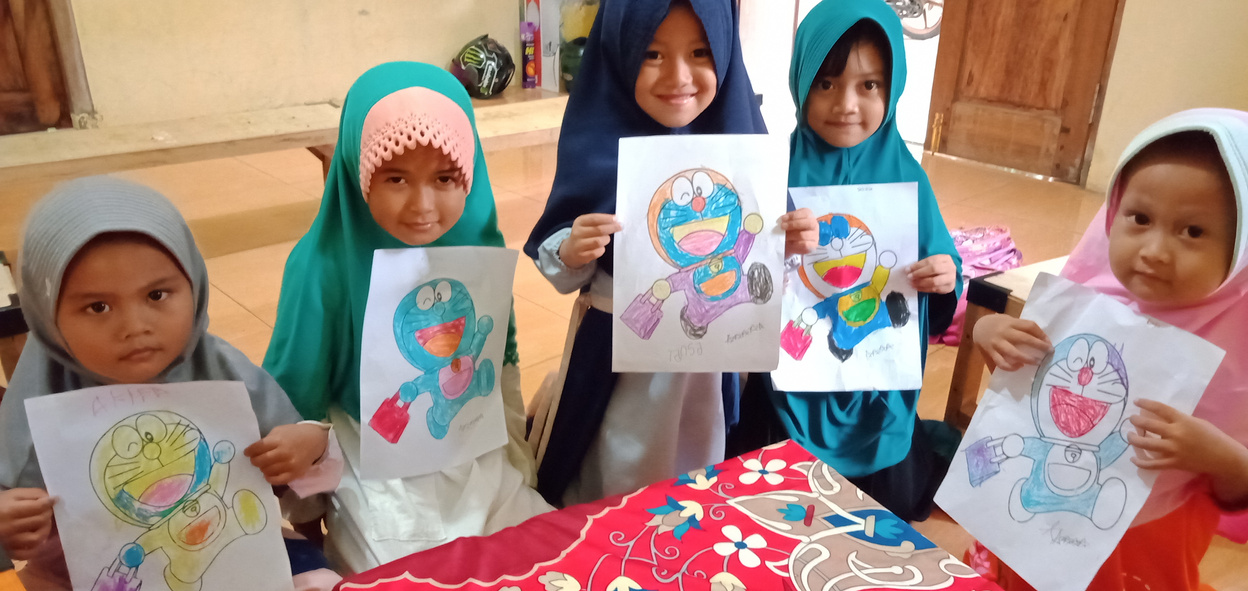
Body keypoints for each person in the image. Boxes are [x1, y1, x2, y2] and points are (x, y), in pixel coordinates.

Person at [522, 0, 817, 507]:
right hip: (617, 363)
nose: (678, 77)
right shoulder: (597, 141)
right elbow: (561, 263)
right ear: (619, 51)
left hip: (707, 365)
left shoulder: (739, 144)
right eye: (652, 54)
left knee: (697, 459)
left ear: (725, 53)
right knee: (615, 462)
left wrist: (787, 243)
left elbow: (763, 270)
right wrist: (573, 249)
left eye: (700, 52)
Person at [263, 61, 550, 573]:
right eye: (396, 178)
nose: (422, 206)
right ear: (358, 172)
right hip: (377, 465)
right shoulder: (322, 265)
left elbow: (499, 360)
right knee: (399, 573)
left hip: (471, 449)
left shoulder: (477, 245)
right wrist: (305, 512)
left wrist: (517, 460)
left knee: (540, 555)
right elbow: (296, 393)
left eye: (445, 178)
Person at [0, 177, 340, 590]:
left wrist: (309, 444)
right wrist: (8, 522)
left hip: (229, 552)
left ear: (193, 285)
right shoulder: (36, 401)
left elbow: (301, 478)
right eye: (98, 306)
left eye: (157, 295)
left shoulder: (222, 369)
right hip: (80, 577)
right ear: (46, 314)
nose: (134, 326)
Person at [972, 108, 1248, 590]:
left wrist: (1217, 455)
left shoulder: (1236, 353)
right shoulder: (1082, 304)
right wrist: (988, 334)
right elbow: (1025, 397)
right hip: (1031, 530)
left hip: (1144, 550)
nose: (1155, 251)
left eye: (1193, 231)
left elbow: (1238, 492)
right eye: (1140, 218)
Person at [761, 0, 962, 523]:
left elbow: (942, 271)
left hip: (879, 391)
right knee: (779, 512)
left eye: (869, 85)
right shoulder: (772, 170)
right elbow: (743, 280)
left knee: (884, 518)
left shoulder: (908, 177)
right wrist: (774, 247)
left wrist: (944, 276)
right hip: (789, 394)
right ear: (800, 81)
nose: (846, 105)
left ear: (892, 89)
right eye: (826, 83)